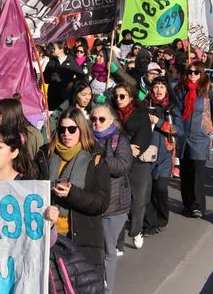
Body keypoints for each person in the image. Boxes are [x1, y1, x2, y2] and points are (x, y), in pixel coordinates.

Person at [36, 108, 110, 277]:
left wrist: (72, 193)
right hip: (50, 233)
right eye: (62, 129)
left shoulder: (95, 158)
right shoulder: (45, 155)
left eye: (72, 129)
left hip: (81, 237)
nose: (66, 134)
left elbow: (101, 203)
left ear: (81, 130)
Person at [173, 62, 213, 218]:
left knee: (197, 173)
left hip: (201, 136)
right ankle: (187, 204)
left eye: (196, 72)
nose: (192, 75)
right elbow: (175, 110)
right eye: (190, 72)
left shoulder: (208, 90)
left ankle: (198, 206)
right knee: (186, 173)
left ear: (201, 73)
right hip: (183, 136)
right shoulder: (180, 89)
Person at [90, 103, 131, 294]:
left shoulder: (118, 141)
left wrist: (101, 156)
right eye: (93, 119)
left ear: (111, 121)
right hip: (91, 203)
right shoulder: (86, 139)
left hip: (113, 206)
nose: (96, 123)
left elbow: (121, 166)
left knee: (108, 250)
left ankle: (108, 290)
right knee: (92, 249)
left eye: (101, 119)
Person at [111, 82, 152, 250]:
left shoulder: (141, 114)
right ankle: (117, 244)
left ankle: (136, 230)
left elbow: (144, 136)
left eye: (122, 96)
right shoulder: (110, 114)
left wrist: (130, 147)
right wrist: (125, 147)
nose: (119, 99)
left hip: (138, 163)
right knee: (118, 203)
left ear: (131, 97)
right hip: (118, 162)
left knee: (138, 200)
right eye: (116, 96)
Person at [144, 76, 178, 229]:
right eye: (156, 86)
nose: (158, 90)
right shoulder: (145, 105)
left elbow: (179, 130)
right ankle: (150, 221)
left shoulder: (172, 107)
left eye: (162, 87)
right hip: (147, 155)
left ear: (167, 89)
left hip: (165, 155)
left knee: (160, 188)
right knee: (148, 189)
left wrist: (158, 122)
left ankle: (162, 218)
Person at [44, 41, 87, 111]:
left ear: (61, 49)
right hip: (53, 96)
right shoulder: (51, 61)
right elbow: (45, 78)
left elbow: (81, 75)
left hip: (65, 95)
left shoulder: (71, 60)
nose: (52, 50)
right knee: (52, 118)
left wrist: (72, 82)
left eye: (54, 48)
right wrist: (50, 78)